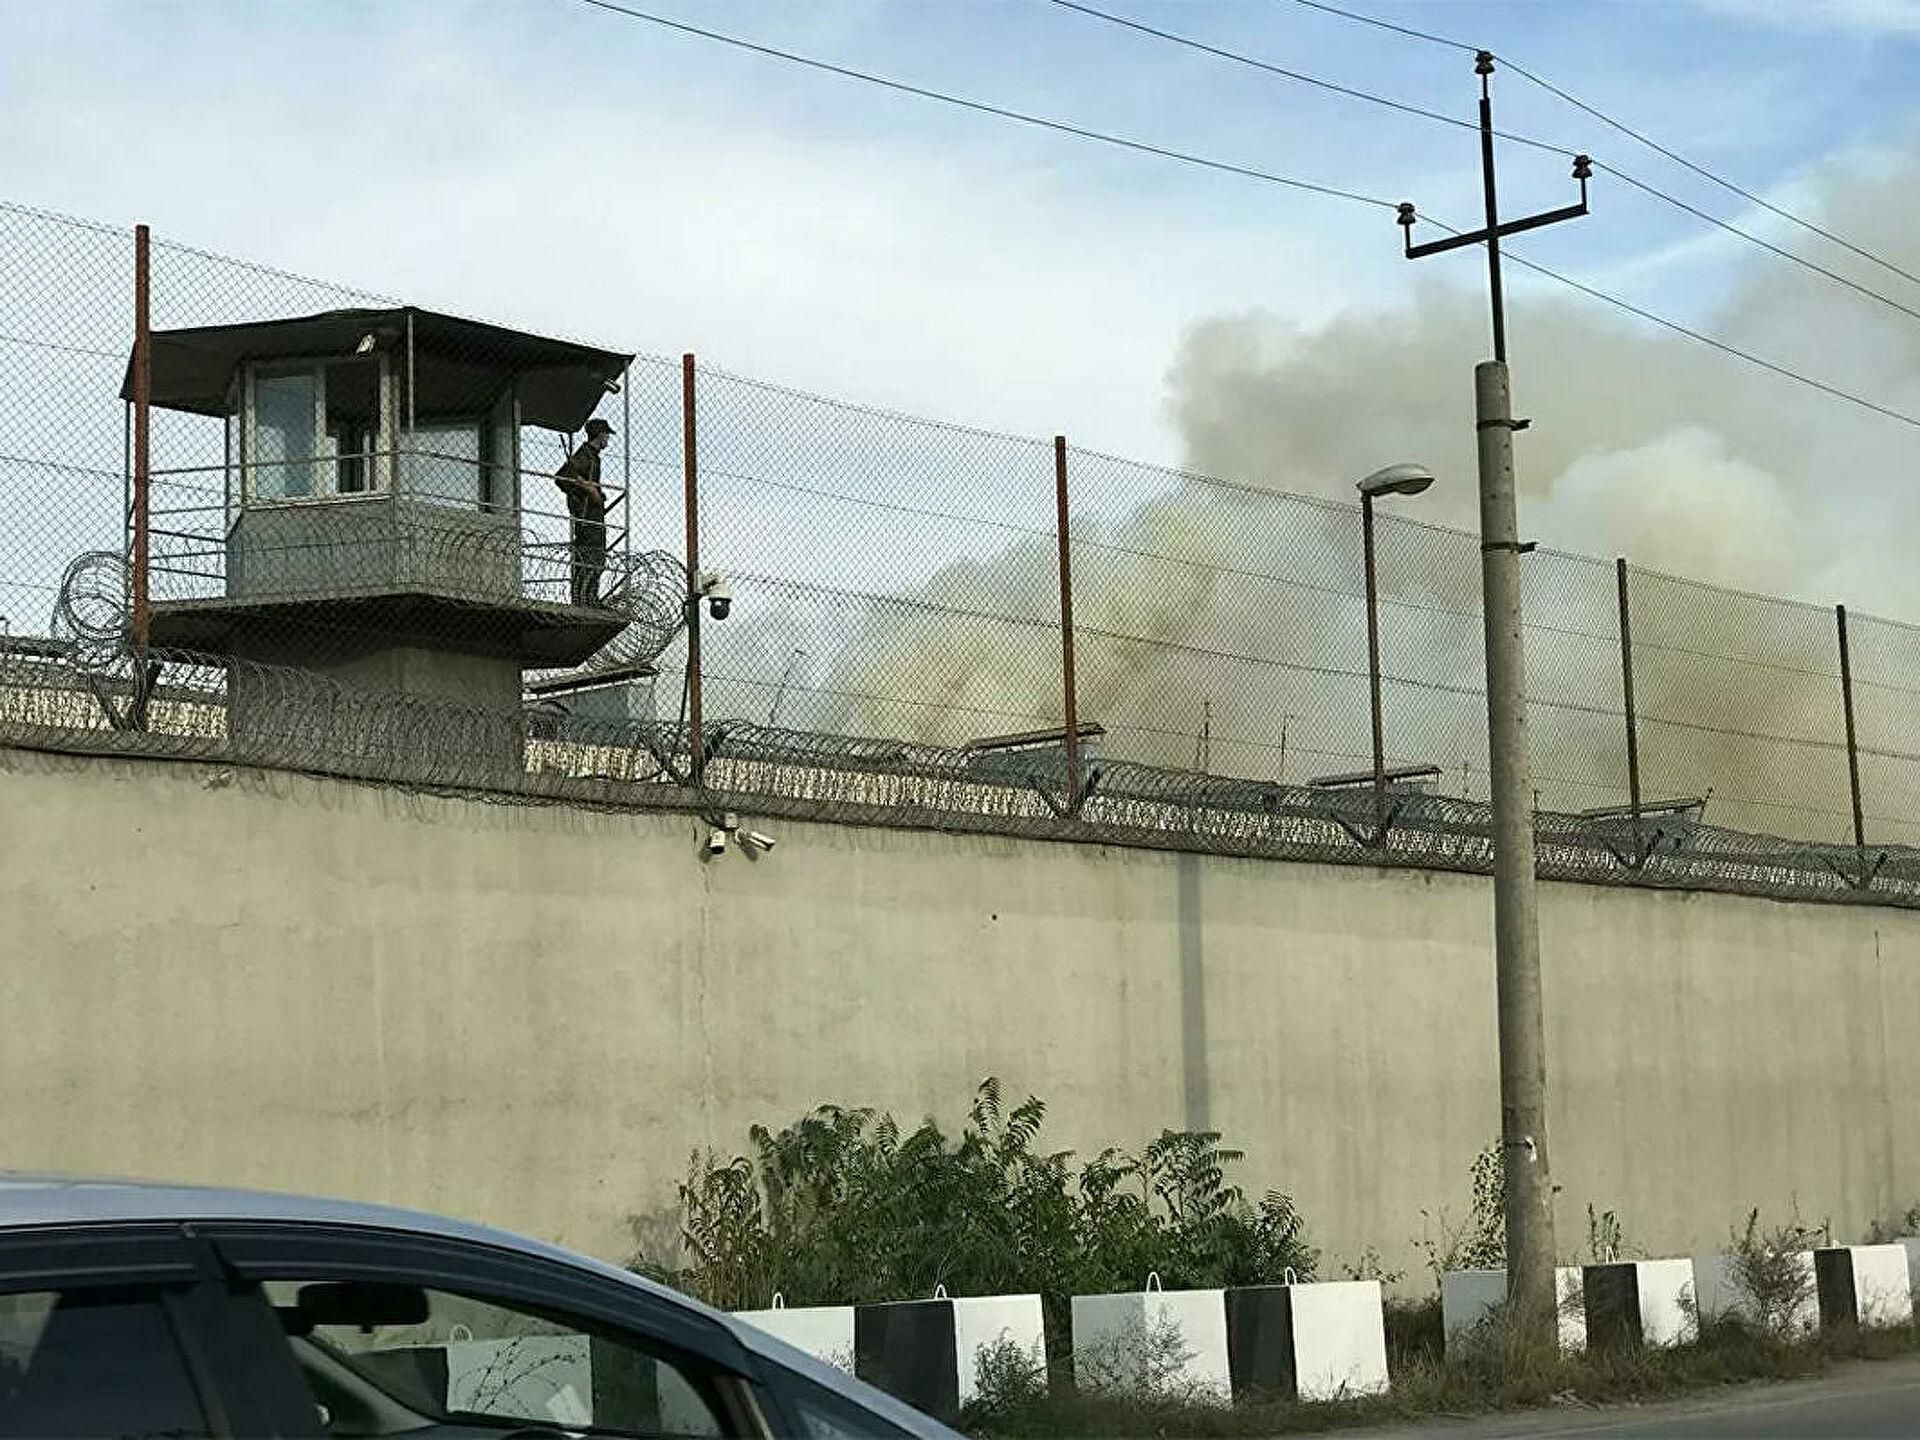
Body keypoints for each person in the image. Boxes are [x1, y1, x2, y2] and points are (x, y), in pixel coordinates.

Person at [555, 418, 613, 605]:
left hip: (592, 513)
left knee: (595, 556)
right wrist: (590, 489)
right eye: (606, 435)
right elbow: (563, 476)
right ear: (600, 435)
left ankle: (589, 597)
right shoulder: (585, 455)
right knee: (592, 555)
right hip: (587, 515)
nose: (608, 439)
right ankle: (584, 598)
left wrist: (596, 492)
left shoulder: (593, 456)